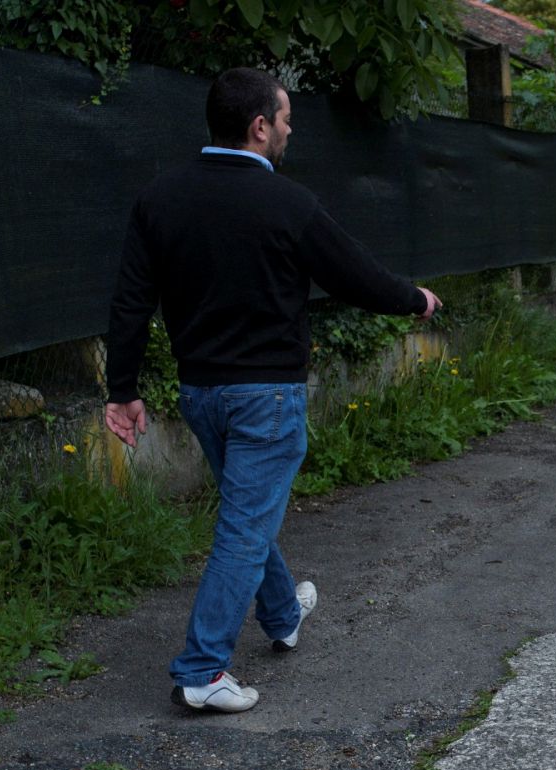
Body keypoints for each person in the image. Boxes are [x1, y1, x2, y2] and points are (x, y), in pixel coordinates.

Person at [104, 67, 442, 713]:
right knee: (242, 527)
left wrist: (122, 388)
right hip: (267, 397)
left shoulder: (160, 198)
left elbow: (130, 302)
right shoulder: (288, 203)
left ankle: (284, 612)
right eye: (285, 120)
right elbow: (355, 276)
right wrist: (414, 300)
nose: (289, 132)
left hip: (201, 393)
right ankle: (202, 671)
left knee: (245, 511)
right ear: (259, 126)